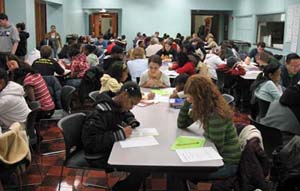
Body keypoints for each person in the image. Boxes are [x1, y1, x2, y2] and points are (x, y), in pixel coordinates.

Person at [168, 75, 241, 191]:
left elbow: (216, 150)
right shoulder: (204, 107)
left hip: (227, 164)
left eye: (191, 96)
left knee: (175, 173)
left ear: (200, 96)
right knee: (176, 170)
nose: (189, 98)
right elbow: (182, 123)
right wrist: (187, 103)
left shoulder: (216, 114)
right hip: (216, 157)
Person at [81, 81, 148, 191]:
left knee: (142, 159)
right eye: (131, 104)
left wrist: (131, 120)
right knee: (140, 166)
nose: (131, 108)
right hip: (98, 155)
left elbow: (123, 112)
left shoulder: (116, 103)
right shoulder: (100, 112)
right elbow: (91, 143)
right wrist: (120, 134)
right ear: (124, 95)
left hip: (110, 146)